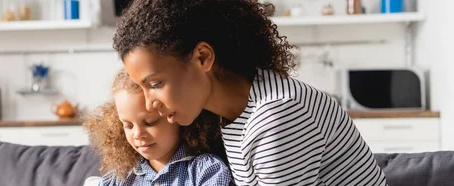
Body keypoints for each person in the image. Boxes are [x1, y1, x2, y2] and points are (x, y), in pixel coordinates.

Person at [113, 0, 388, 185]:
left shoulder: (277, 114)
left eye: (156, 83)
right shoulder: (232, 114)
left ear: (203, 58)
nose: (150, 103)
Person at [83, 70, 232, 186]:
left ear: (176, 115)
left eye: (150, 122)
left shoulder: (206, 170)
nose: (137, 134)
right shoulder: (122, 177)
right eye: (128, 125)